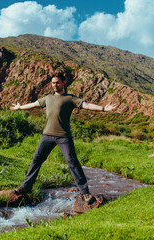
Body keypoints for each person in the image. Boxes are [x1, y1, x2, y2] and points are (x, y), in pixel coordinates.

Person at [10, 73, 117, 204]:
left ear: (63, 83)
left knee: (72, 163)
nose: (55, 85)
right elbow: (34, 104)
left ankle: (85, 193)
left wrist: (104, 109)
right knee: (36, 160)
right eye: (53, 83)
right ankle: (26, 187)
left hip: (64, 137)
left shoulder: (70, 98)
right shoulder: (48, 98)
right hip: (47, 135)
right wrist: (20, 107)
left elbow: (86, 105)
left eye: (58, 82)